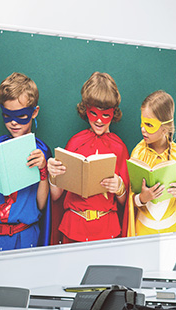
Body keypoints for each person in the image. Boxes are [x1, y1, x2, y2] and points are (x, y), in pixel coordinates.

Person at [0, 72, 51, 253]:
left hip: (25, 237)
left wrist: (43, 171)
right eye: (7, 115)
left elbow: (42, 205)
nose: (13, 122)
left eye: (21, 115)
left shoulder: (40, 151)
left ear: (34, 112)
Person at [47, 72, 129, 243]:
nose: (99, 121)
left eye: (105, 114)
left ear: (113, 113)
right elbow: (56, 196)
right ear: (85, 110)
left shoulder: (119, 147)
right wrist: (53, 175)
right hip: (73, 226)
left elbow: (125, 204)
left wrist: (120, 187)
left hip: (107, 228)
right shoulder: (75, 143)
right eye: (94, 113)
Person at [128, 90, 176, 236]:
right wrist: (142, 198)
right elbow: (129, 201)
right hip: (143, 231)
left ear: (165, 128)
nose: (143, 129)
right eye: (142, 123)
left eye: (150, 125)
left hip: (172, 231)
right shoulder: (138, 153)